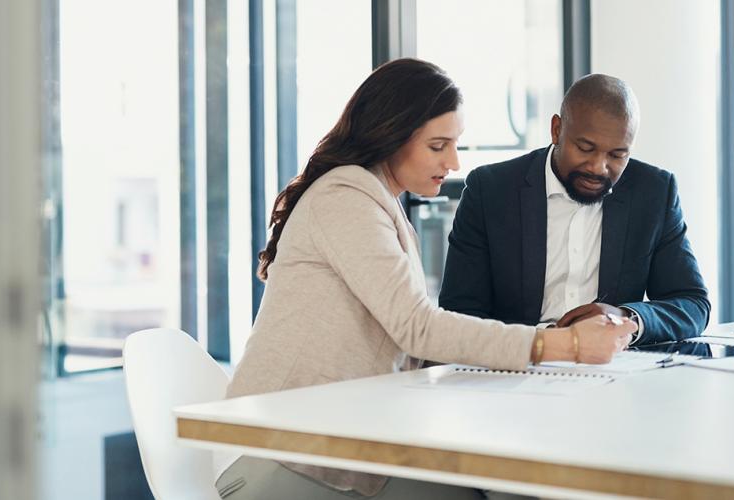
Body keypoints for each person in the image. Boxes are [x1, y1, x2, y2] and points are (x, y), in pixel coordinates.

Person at [214, 59, 637, 500]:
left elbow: (413, 344)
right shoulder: (346, 199)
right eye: (438, 146)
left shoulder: (380, 205)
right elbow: (418, 328)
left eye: (454, 145)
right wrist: (564, 346)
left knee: (504, 487)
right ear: (392, 135)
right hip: (272, 453)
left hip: (326, 445)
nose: (453, 162)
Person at [439, 74, 710, 347]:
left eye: (617, 155)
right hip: (516, 367)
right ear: (556, 129)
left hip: (616, 373)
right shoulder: (491, 190)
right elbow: (459, 312)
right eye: (585, 148)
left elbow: (692, 304)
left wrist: (627, 317)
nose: (598, 167)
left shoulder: (653, 192)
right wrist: (543, 345)